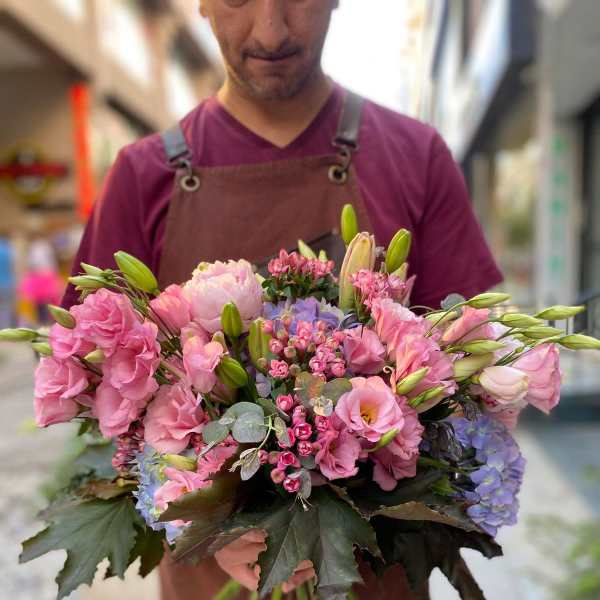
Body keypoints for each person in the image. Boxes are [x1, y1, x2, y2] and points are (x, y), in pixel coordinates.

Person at [63, 1, 503, 598]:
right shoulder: (141, 177)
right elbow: (101, 393)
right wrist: (203, 514)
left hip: (374, 577)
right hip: (207, 579)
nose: (271, 31)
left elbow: (474, 376)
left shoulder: (414, 154)